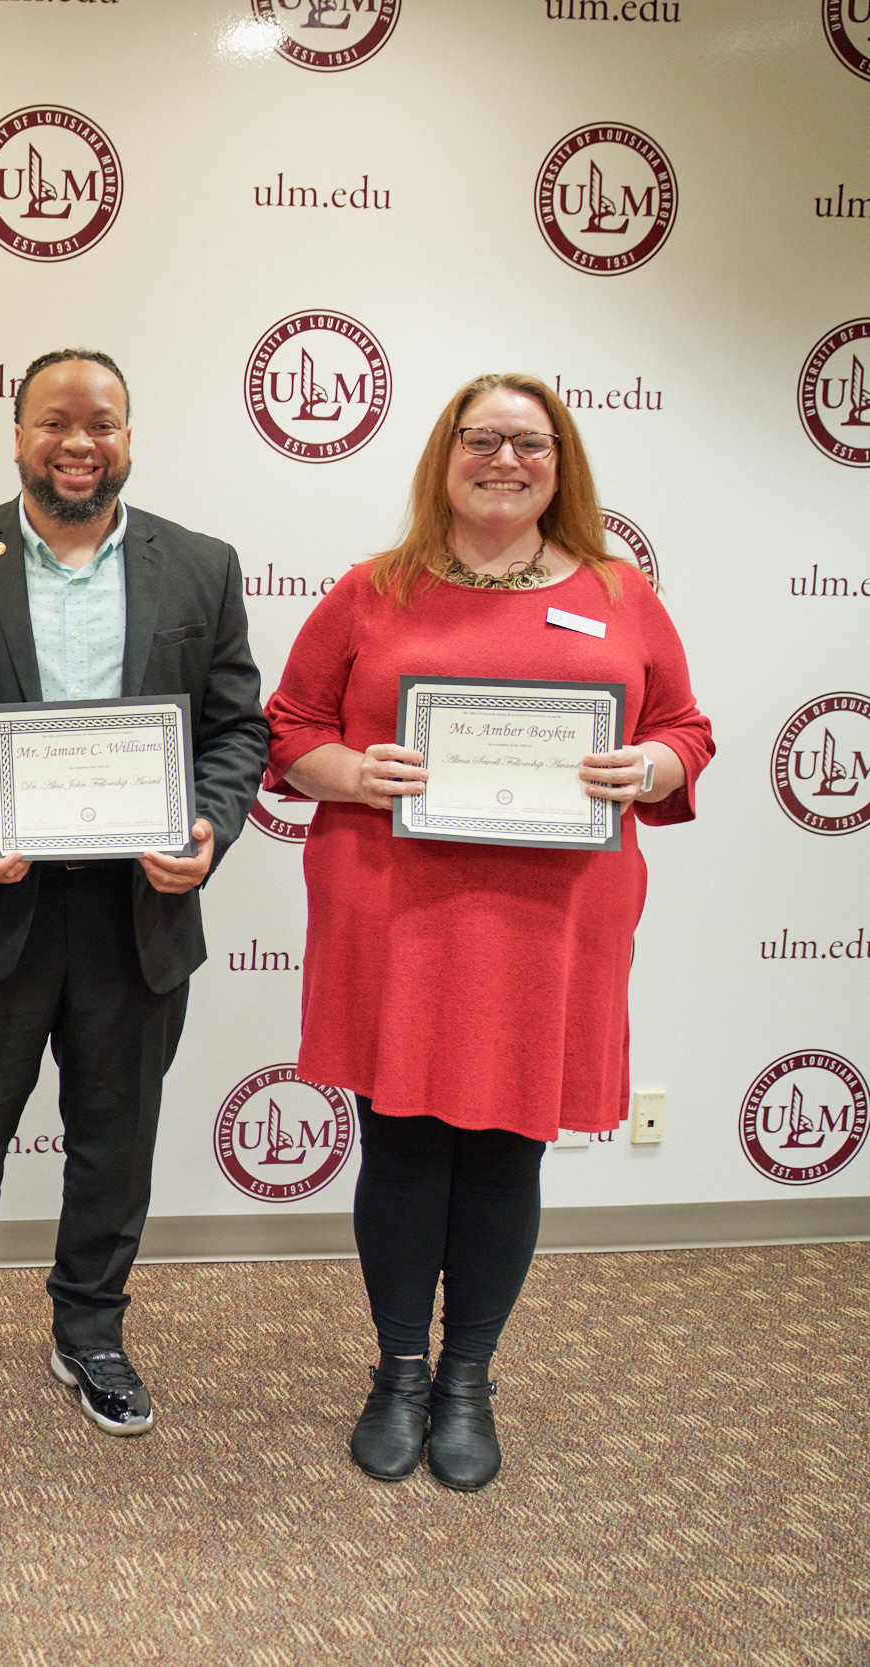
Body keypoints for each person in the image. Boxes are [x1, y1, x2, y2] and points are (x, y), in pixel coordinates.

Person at [265, 372, 711, 1491]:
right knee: (405, 1143)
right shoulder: (373, 588)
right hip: (397, 911)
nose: (504, 459)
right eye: (482, 439)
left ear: (560, 464)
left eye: (530, 441)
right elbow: (290, 728)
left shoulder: (620, 591)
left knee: (508, 1147)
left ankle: (467, 1376)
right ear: (444, 456)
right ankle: (399, 1372)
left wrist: (647, 764)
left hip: (551, 923)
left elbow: (682, 731)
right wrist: (354, 774)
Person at [0, 350, 268, 1444]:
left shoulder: (200, 565)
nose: (77, 442)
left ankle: (91, 1328)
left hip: (137, 914)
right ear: (16, 433)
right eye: (53, 421)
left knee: (115, 1135)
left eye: (100, 422)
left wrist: (210, 826)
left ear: (129, 435)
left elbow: (236, 729)